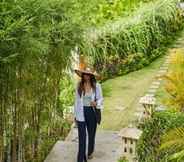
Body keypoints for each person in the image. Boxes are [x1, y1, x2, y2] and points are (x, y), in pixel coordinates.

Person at [74, 66, 103, 162]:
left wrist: (96, 103)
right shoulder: (79, 86)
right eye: (84, 74)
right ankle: (80, 159)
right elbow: (76, 101)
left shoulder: (96, 86)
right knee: (82, 138)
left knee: (91, 135)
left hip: (92, 112)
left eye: (88, 74)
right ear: (82, 75)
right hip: (81, 113)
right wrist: (75, 116)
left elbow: (100, 99)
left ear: (91, 76)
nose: (86, 76)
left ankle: (90, 152)